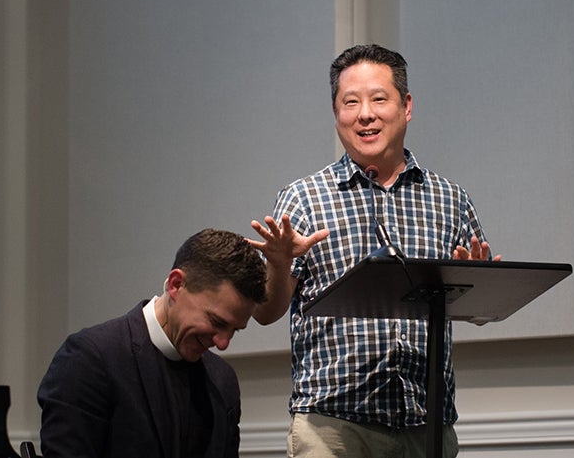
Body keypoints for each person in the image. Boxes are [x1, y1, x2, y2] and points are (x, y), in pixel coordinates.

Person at [248, 44, 501, 458]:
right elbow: (266, 311)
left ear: (406, 106)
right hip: (332, 428)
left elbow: (475, 313)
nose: (365, 114)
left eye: (378, 99)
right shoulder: (304, 199)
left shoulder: (450, 199)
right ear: (336, 115)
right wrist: (277, 265)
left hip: (425, 424)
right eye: (350, 102)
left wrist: (472, 286)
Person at [37, 228, 268, 458]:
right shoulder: (90, 360)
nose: (223, 343)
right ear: (176, 285)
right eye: (216, 322)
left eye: (234, 330)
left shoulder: (222, 379)